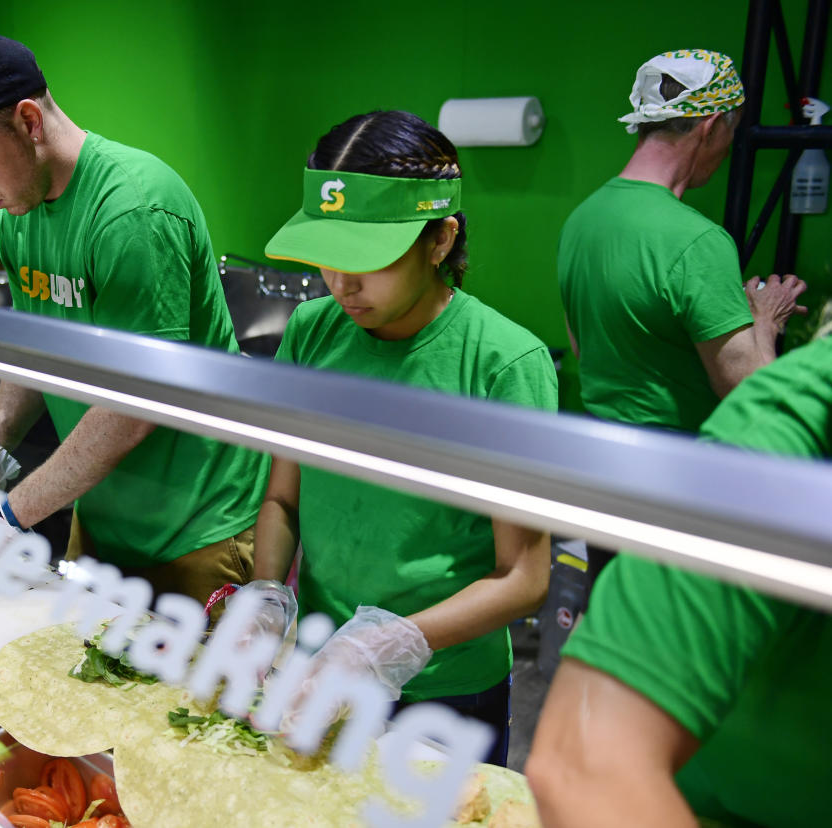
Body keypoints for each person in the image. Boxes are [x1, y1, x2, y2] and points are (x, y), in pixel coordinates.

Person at [0, 33, 266, 605]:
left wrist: (6, 519)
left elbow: (131, 409)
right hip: (99, 512)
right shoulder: (20, 209)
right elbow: (35, 350)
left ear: (29, 121)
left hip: (197, 529)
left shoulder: (132, 211)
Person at [240, 111, 556, 766]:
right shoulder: (311, 332)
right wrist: (269, 594)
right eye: (326, 255)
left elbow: (523, 577)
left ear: (439, 239)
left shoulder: (502, 365)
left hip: (446, 693)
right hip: (318, 666)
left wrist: (388, 645)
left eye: (366, 260)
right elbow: (283, 500)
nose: (339, 281)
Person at [526, 332, 832, 827]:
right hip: (677, 479)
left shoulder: (585, 249)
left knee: (597, 614)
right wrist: (758, 330)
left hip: (631, 472)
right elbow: (583, 764)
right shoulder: (791, 416)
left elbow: (580, 342)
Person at [557, 48, 807, 584]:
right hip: (676, 480)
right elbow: (749, 396)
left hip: (600, 464)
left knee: (613, 621)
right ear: (712, 125)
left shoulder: (584, 220)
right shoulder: (697, 240)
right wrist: (764, 317)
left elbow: (584, 347)